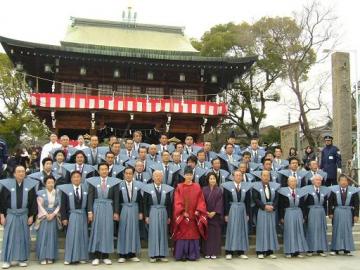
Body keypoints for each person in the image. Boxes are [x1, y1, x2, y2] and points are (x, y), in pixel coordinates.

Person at [0, 165, 38, 269]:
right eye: (19, 171)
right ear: (14, 174)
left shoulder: (30, 185)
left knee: (23, 237)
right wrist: (2, 216)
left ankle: (22, 259)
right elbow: (2, 201)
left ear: (25, 173)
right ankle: (7, 260)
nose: (21, 173)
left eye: (23, 171)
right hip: (11, 215)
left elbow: (33, 202)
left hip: (24, 215)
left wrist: (31, 216)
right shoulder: (7, 185)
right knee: (9, 237)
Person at [87, 162, 120, 265]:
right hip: (97, 208)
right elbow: (90, 198)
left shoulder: (114, 182)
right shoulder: (93, 182)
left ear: (108, 170)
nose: (104, 171)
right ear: (98, 171)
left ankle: (105, 256)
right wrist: (90, 211)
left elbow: (116, 198)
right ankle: (96, 256)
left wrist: (116, 212)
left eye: (106, 169)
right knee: (97, 230)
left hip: (109, 208)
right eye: (102, 169)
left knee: (107, 231)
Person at [172, 166, 207, 261]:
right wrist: (182, 212)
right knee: (182, 234)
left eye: (190, 175)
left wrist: (198, 210)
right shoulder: (179, 186)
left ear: (193, 175)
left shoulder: (197, 186)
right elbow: (177, 201)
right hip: (183, 215)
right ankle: (181, 255)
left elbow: (201, 200)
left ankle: (192, 255)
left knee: (193, 234)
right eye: (187, 175)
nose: (188, 177)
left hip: (194, 215)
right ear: (184, 175)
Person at [58, 171, 89, 265]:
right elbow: (62, 205)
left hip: (83, 215)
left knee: (82, 236)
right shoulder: (66, 190)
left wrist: (89, 214)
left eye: (78, 177)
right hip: (71, 216)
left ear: (81, 178)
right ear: (71, 179)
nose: (76, 179)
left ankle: (82, 257)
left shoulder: (85, 188)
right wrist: (64, 218)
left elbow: (88, 204)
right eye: (74, 177)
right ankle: (69, 258)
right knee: (71, 236)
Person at [143, 170, 173, 263]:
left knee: (163, 233)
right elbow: (145, 204)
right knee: (153, 233)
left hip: (163, 212)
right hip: (153, 212)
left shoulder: (166, 189)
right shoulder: (148, 188)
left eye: (160, 176)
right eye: (156, 176)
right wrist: (146, 216)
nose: (158, 178)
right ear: (153, 177)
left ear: (162, 177)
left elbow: (169, 204)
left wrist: (169, 216)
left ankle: (162, 254)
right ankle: (153, 255)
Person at [222, 170, 252, 260]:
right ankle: (229, 251)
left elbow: (248, 202)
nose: (238, 177)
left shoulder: (245, 187)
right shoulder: (228, 187)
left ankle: (241, 252)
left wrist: (247, 214)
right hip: (232, 210)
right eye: (237, 175)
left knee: (242, 230)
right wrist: (226, 214)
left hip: (242, 210)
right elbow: (225, 202)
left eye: (240, 175)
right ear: (233, 177)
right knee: (231, 229)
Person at [328, 174, 359, 255]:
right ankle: (335, 249)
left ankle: (347, 249)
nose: (343, 182)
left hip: (348, 212)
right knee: (336, 230)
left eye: (345, 180)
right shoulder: (334, 190)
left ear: (348, 182)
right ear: (338, 181)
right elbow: (330, 202)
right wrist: (330, 213)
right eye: (342, 180)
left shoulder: (353, 191)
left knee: (347, 230)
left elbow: (356, 204)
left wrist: (356, 215)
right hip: (337, 212)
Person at [117, 167, 144, 263]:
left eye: (130, 173)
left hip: (134, 209)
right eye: (126, 173)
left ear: (133, 174)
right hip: (123, 210)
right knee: (123, 230)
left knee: (133, 230)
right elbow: (117, 200)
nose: (128, 175)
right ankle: (122, 254)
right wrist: (116, 212)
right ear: (124, 174)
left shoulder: (138, 185)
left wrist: (141, 212)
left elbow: (141, 200)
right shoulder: (119, 185)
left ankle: (132, 253)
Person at [278, 176, 308, 258]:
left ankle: (297, 251)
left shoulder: (300, 192)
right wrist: (281, 217)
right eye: (291, 181)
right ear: (288, 183)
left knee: (298, 232)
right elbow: (280, 205)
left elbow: (303, 205)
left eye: (294, 181)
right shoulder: (283, 192)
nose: (293, 183)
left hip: (298, 213)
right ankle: (288, 251)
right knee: (289, 232)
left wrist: (304, 216)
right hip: (288, 213)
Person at [252, 170, 280, 259]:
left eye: (267, 175)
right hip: (262, 211)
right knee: (261, 230)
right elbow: (256, 199)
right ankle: (260, 251)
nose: (266, 177)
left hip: (271, 211)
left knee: (271, 230)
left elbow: (276, 198)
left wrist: (273, 207)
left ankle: (269, 251)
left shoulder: (274, 187)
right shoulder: (256, 187)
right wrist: (264, 206)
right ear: (261, 177)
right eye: (264, 175)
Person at [302, 174, 330, 257]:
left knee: (321, 231)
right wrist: (305, 215)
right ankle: (310, 249)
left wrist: (325, 213)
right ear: (313, 181)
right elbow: (304, 203)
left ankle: (320, 249)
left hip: (321, 212)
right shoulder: (307, 190)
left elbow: (325, 203)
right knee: (311, 230)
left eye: (320, 180)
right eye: (317, 180)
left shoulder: (324, 191)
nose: (318, 182)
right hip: (311, 212)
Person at [35, 175, 60, 264]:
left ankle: (50, 256)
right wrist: (46, 214)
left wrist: (53, 214)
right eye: (48, 182)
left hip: (53, 216)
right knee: (43, 236)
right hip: (43, 217)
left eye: (52, 182)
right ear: (45, 184)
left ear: (55, 183)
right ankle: (42, 257)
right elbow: (39, 205)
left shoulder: (57, 192)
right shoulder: (40, 193)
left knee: (52, 236)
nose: (50, 184)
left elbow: (59, 205)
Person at [201, 172, 223, 259]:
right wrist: (205, 211)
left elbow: (220, 202)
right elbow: (201, 201)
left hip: (215, 216)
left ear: (216, 179)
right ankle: (206, 252)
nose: (212, 180)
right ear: (208, 180)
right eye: (211, 178)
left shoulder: (219, 190)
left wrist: (214, 212)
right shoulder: (204, 189)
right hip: (206, 214)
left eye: (214, 178)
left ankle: (214, 252)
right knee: (207, 234)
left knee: (215, 234)